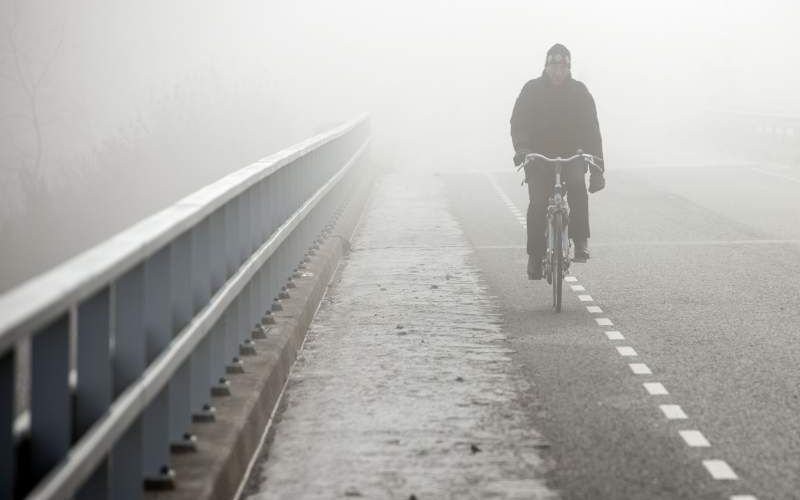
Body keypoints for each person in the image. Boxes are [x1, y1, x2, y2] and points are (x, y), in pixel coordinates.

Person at [510, 43, 606, 280]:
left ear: (569, 67)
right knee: (538, 203)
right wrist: (523, 150)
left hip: (572, 155)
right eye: (554, 65)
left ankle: (581, 240)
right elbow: (518, 123)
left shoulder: (579, 92)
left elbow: (593, 130)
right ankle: (535, 256)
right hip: (539, 158)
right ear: (546, 66)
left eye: (563, 66)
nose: (558, 71)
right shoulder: (531, 90)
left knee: (577, 188)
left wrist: (597, 169)